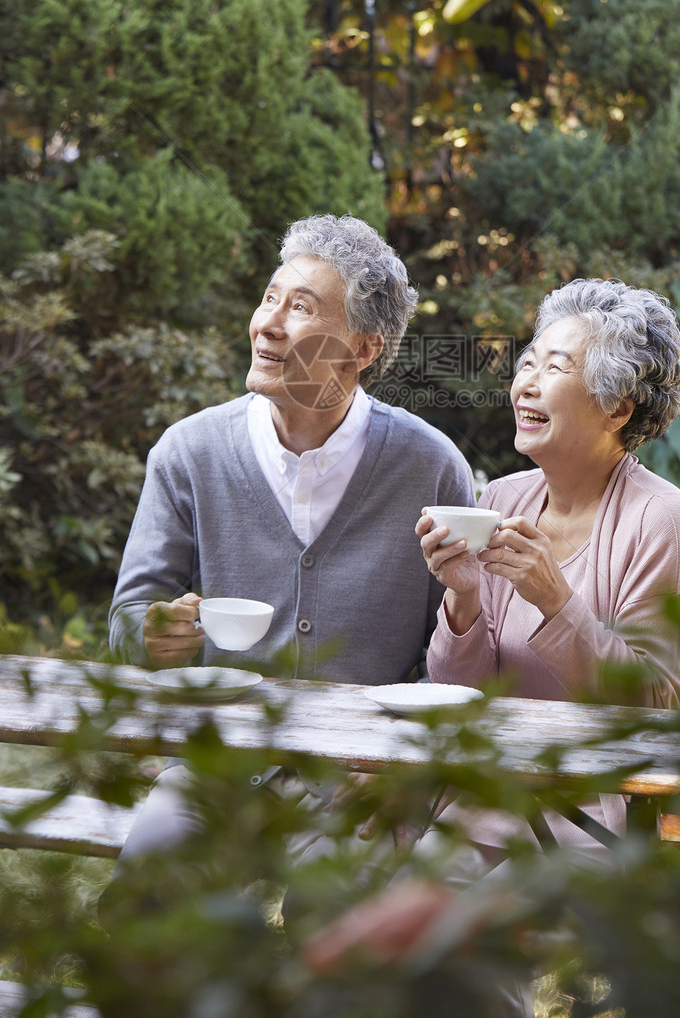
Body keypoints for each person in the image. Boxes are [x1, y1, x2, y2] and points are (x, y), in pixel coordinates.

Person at [106, 212, 474, 874]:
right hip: (216, 770)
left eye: (300, 307)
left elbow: (451, 661)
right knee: (152, 888)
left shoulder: (431, 468)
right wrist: (151, 634)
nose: (267, 323)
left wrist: (393, 769)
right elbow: (129, 619)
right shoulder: (190, 454)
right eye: (270, 297)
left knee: (337, 930)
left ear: (362, 350)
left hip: (363, 779)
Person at [417, 276, 680, 856]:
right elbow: (460, 696)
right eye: (527, 364)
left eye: (554, 369)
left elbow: (655, 707)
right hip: (493, 796)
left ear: (617, 407)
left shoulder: (664, 521)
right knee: (397, 931)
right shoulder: (502, 503)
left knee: (461, 934)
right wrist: (463, 599)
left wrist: (554, 600)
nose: (525, 386)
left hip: (613, 814)